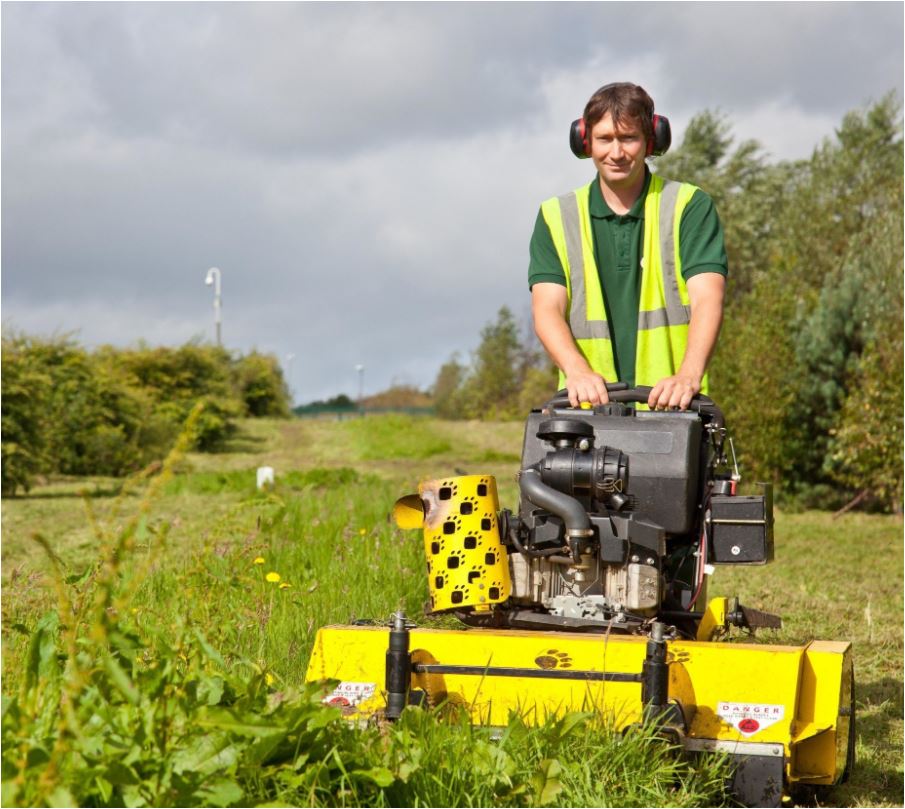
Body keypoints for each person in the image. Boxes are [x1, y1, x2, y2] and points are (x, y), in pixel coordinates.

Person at [529, 82, 727, 411]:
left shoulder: (689, 206)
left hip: (674, 414)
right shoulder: (555, 217)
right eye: (605, 139)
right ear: (585, 141)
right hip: (587, 417)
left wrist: (688, 377)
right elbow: (546, 310)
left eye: (629, 138)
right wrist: (577, 372)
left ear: (652, 141)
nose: (617, 153)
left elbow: (708, 298)